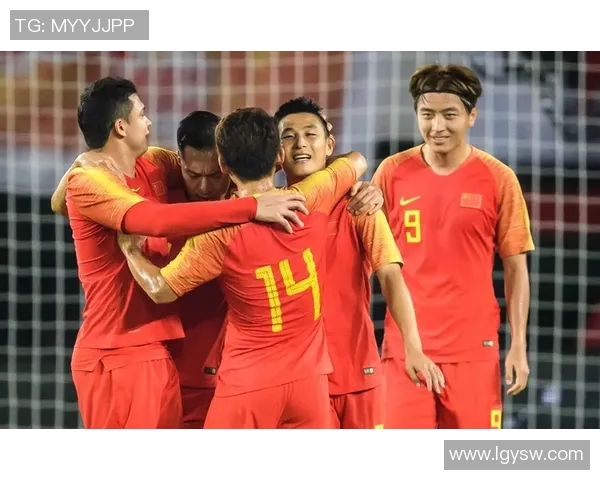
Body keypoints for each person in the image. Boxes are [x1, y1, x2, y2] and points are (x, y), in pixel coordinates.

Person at [60, 77, 308, 429]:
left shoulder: (154, 162)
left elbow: (242, 163)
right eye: (141, 114)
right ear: (120, 127)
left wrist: (349, 169)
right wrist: (252, 206)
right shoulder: (91, 180)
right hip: (116, 350)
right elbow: (154, 220)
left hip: (154, 349)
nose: (148, 121)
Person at [117, 107, 367, 428]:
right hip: (310, 385)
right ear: (280, 156)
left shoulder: (219, 236)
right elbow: (357, 160)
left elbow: (160, 290)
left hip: (248, 386)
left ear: (223, 164)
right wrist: (363, 184)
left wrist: (130, 250)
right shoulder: (312, 197)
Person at [372, 64, 535, 429]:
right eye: (427, 115)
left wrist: (519, 345)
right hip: (405, 351)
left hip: (473, 352)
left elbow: (516, 268)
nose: (437, 126)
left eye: (449, 115)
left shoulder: (499, 178)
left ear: (471, 116)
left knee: (467, 456)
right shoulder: (391, 173)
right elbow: (366, 261)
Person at [274, 97, 444, 429]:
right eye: (288, 136)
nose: (300, 143)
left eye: (310, 134)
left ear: (329, 145)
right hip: (297, 380)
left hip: (358, 372)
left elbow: (390, 275)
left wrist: (413, 346)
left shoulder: (360, 205)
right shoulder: (269, 211)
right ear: (277, 152)